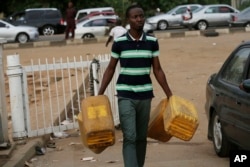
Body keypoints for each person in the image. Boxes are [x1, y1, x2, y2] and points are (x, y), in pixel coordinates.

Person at [98, 4, 173, 167]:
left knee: (140, 137)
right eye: (135, 17)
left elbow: (158, 69)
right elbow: (110, 69)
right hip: (126, 95)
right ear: (128, 20)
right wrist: (99, 95)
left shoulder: (152, 42)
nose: (139, 19)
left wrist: (170, 95)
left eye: (141, 16)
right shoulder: (119, 43)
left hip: (145, 95)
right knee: (130, 136)